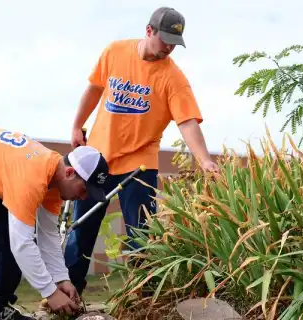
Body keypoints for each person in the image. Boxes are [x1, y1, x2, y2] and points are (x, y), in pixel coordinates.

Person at [64, 6, 219, 295]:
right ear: (148, 31)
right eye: (164, 40)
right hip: (97, 159)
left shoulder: (173, 77)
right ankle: (67, 296)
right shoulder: (115, 52)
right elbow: (95, 89)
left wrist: (205, 160)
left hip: (139, 165)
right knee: (81, 231)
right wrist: (77, 125)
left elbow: (187, 122)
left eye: (175, 43)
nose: (169, 48)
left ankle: (143, 299)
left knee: (142, 236)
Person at [0, 127, 110, 320]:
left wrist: (61, 279)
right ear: (69, 172)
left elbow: (48, 236)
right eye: (84, 189)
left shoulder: (53, 185)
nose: (82, 197)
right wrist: (50, 293)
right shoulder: (32, 176)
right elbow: (22, 244)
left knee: (9, 230)